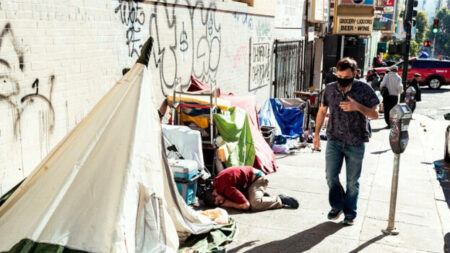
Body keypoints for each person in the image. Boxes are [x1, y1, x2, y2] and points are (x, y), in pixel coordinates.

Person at [313, 57, 379, 225]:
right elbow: (321, 111)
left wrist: (358, 107)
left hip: (356, 142)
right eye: (339, 77)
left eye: (346, 77)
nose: (342, 80)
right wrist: (315, 135)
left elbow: (375, 114)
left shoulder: (364, 89)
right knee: (330, 176)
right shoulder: (329, 89)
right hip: (334, 139)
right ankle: (337, 205)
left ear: (355, 74)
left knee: (352, 182)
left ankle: (350, 213)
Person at [203, 166, 299, 211]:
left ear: (214, 193)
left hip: (258, 179)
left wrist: (229, 204)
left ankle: (279, 199)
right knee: (237, 199)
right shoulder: (216, 185)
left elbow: (245, 205)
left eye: (219, 201)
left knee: (254, 205)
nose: (222, 203)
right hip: (247, 183)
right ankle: (261, 196)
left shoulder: (225, 188)